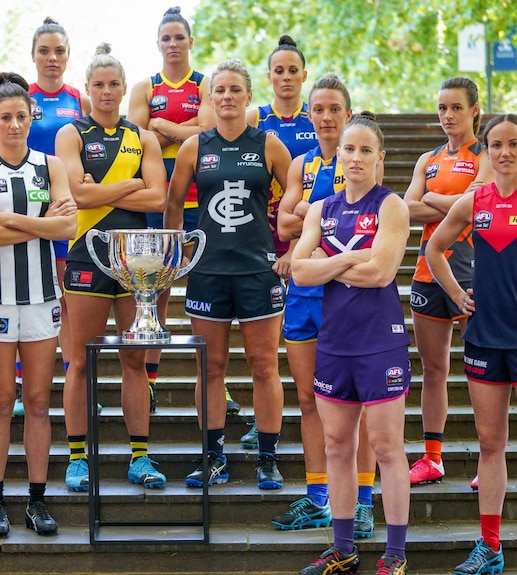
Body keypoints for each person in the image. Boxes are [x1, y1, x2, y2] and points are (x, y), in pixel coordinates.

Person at [426, 114, 517, 575]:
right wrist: (454, 292)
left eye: (513, 144)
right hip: (484, 336)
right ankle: (490, 547)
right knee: (489, 445)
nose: (504, 152)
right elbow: (434, 249)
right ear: (485, 150)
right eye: (495, 144)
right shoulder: (474, 201)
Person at [291, 113, 411, 575]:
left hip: (380, 343)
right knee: (338, 446)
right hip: (335, 342)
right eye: (349, 149)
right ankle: (343, 550)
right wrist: (358, 255)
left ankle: (395, 555)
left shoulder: (391, 206)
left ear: (380, 158)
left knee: (386, 448)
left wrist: (332, 258)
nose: (356, 157)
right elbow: (299, 271)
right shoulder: (321, 209)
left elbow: (381, 273)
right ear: (338, 155)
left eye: (366, 150)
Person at [164, 59, 291, 490]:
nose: (227, 97)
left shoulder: (269, 144)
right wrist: (176, 251)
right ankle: (214, 457)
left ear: (249, 96)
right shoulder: (194, 147)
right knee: (211, 367)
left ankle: (267, 458)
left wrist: (290, 252)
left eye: (236, 90)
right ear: (210, 97)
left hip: (258, 271)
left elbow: (295, 205)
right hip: (209, 272)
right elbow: (174, 206)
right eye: (220, 90)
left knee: (263, 365)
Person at [0, 72, 77, 537]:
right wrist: (38, 223)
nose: (14, 125)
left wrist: (7, 218)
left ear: (32, 117)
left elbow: (67, 228)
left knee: (35, 401)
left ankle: (35, 500)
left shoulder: (50, 166)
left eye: (21, 116)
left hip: (41, 299)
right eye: (5, 117)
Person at [55, 43, 168, 492]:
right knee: (80, 360)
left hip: (134, 260)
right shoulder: (72, 134)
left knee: (134, 360)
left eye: (113, 84)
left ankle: (140, 457)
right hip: (86, 252)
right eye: (98, 84)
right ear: (86, 89)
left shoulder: (143, 137)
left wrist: (100, 187)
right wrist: (132, 183)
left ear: (124, 88)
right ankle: (78, 458)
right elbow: (76, 196)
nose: (106, 91)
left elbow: (157, 198)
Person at [272, 74, 378, 538]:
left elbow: (366, 227)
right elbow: (284, 222)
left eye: (335, 108)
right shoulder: (301, 163)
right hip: (304, 296)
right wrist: (308, 230)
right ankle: (318, 498)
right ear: (309, 113)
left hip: (349, 294)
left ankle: (363, 501)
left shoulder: (362, 162)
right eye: (319, 108)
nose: (327, 116)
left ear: (348, 113)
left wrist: (314, 238)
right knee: (309, 399)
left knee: (360, 403)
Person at [127, 6, 220, 415]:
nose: (172, 44)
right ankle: (149, 374)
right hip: (159, 197)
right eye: (166, 38)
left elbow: (210, 131)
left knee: (210, 289)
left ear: (190, 42)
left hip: (205, 198)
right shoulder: (144, 85)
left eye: (179, 37)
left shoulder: (206, 84)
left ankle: (218, 382)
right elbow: (135, 135)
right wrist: (185, 131)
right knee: (155, 288)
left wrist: (164, 128)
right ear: (158, 43)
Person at [404, 76, 491, 487]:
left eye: (456, 107)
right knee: (434, 369)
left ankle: (486, 460)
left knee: (481, 368)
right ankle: (433, 458)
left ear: (475, 109)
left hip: (475, 272)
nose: (447, 115)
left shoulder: (487, 153)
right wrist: (455, 204)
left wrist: (436, 204)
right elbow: (406, 209)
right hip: (428, 273)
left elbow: (479, 206)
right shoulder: (428, 159)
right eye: (441, 108)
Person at [241, 34, 315, 450]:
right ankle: (263, 420)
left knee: (302, 331)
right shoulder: (255, 118)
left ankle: (313, 406)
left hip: (307, 235)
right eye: (279, 70)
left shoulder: (316, 117)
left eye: (293, 70)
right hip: (258, 235)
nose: (286, 77)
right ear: (268, 76)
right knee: (262, 345)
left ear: (304, 75)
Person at [26, 17, 91, 416]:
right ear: (33, 56)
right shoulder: (22, 96)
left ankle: (76, 383)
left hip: (67, 210)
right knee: (29, 298)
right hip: (29, 210)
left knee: (68, 300)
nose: (52, 58)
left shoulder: (77, 100)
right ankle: (24, 390)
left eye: (60, 51)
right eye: (45, 51)